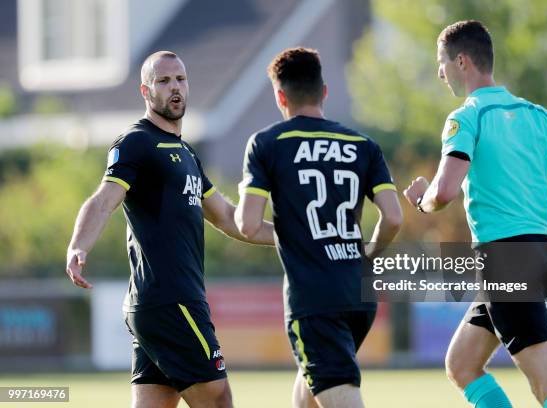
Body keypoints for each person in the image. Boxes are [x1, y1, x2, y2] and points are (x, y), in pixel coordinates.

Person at [404, 21, 547, 408]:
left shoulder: (466, 117)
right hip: (534, 256)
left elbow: (443, 193)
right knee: (462, 364)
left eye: (441, 63)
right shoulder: (537, 115)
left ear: (461, 61)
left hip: (504, 261)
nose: (439, 73)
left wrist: (421, 198)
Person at [65, 51, 275, 408]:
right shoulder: (136, 142)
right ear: (146, 91)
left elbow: (227, 217)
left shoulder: (187, 154)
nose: (174, 87)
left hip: (161, 304)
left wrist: (298, 239)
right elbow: (103, 201)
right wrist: (78, 245)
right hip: (171, 300)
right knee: (219, 400)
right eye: (163, 81)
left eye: (180, 79)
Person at [234, 47, 403, 408]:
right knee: (310, 389)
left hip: (314, 298)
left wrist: (293, 235)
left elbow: (247, 224)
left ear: (281, 96)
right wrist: (368, 251)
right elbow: (393, 218)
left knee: (336, 391)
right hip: (359, 294)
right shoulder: (362, 145)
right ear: (324, 91)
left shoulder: (268, 143)